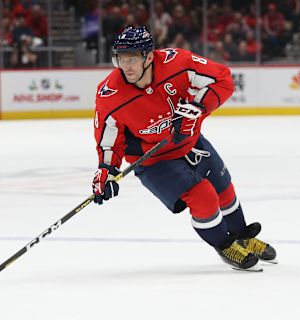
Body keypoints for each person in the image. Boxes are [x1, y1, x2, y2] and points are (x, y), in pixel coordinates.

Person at [91, 26, 277, 271]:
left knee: (224, 189)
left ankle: (243, 235)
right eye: (121, 59)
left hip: (190, 142)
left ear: (149, 55)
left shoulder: (178, 62)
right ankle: (225, 245)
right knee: (204, 196)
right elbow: (109, 139)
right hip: (153, 161)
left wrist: (198, 108)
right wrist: (106, 169)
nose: (126, 66)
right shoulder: (110, 94)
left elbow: (223, 78)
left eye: (132, 58)